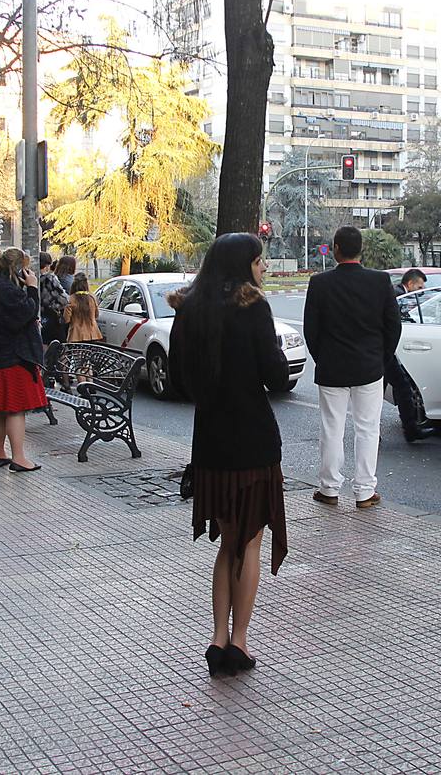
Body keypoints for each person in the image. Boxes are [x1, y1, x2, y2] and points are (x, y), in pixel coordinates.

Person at [169, 233, 290, 678]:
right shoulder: (253, 307)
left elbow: (180, 380)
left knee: (226, 542)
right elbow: (276, 377)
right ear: (245, 265)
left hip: (211, 443)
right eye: (260, 263)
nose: (264, 270)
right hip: (253, 440)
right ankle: (239, 642)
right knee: (250, 541)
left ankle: (218, 637)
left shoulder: (189, 309)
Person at [303, 225, 402, 510]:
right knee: (368, 429)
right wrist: (380, 358)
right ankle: (364, 491)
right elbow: (393, 326)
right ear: (362, 250)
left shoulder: (319, 283)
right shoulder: (380, 281)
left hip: (332, 367)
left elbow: (312, 329)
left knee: (331, 428)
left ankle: (329, 488)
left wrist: (323, 357)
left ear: (335, 249)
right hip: (369, 367)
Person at [0, 247, 47, 472]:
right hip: (12, 358)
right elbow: (27, 313)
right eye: (25, 268)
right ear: (18, 269)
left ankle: (0, 454)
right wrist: (33, 288)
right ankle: (19, 458)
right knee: (15, 409)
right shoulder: (8, 291)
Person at [387, 269, 437, 443]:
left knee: (384, 391)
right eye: (420, 286)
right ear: (410, 284)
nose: (421, 291)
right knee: (402, 387)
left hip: (385, 351)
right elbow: (397, 320)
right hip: (386, 352)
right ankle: (410, 429)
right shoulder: (399, 295)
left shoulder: (397, 293)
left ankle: (409, 429)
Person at [37, 251, 68, 346]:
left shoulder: (29, 277)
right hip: (51, 317)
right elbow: (64, 299)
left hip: (36, 317)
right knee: (57, 346)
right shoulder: (50, 279)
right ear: (47, 265)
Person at [62, 273, 103, 343]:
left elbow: (66, 319)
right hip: (93, 334)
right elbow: (96, 315)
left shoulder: (71, 299)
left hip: (76, 335)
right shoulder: (92, 298)